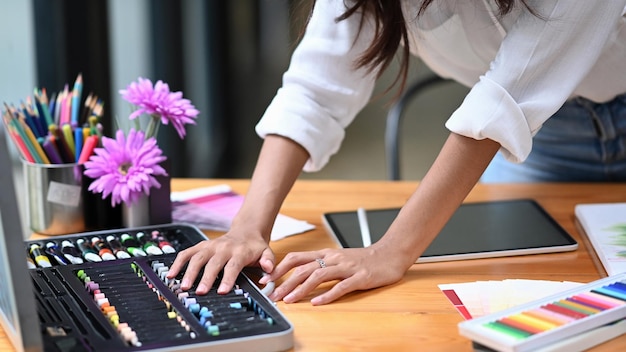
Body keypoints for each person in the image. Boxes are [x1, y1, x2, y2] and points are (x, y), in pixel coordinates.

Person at [167, 0, 626, 305]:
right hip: (547, 134)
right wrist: (248, 228)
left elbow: (502, 104)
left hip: (527, 117)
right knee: (535, 300)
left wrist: (391, 251)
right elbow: (314, 91)